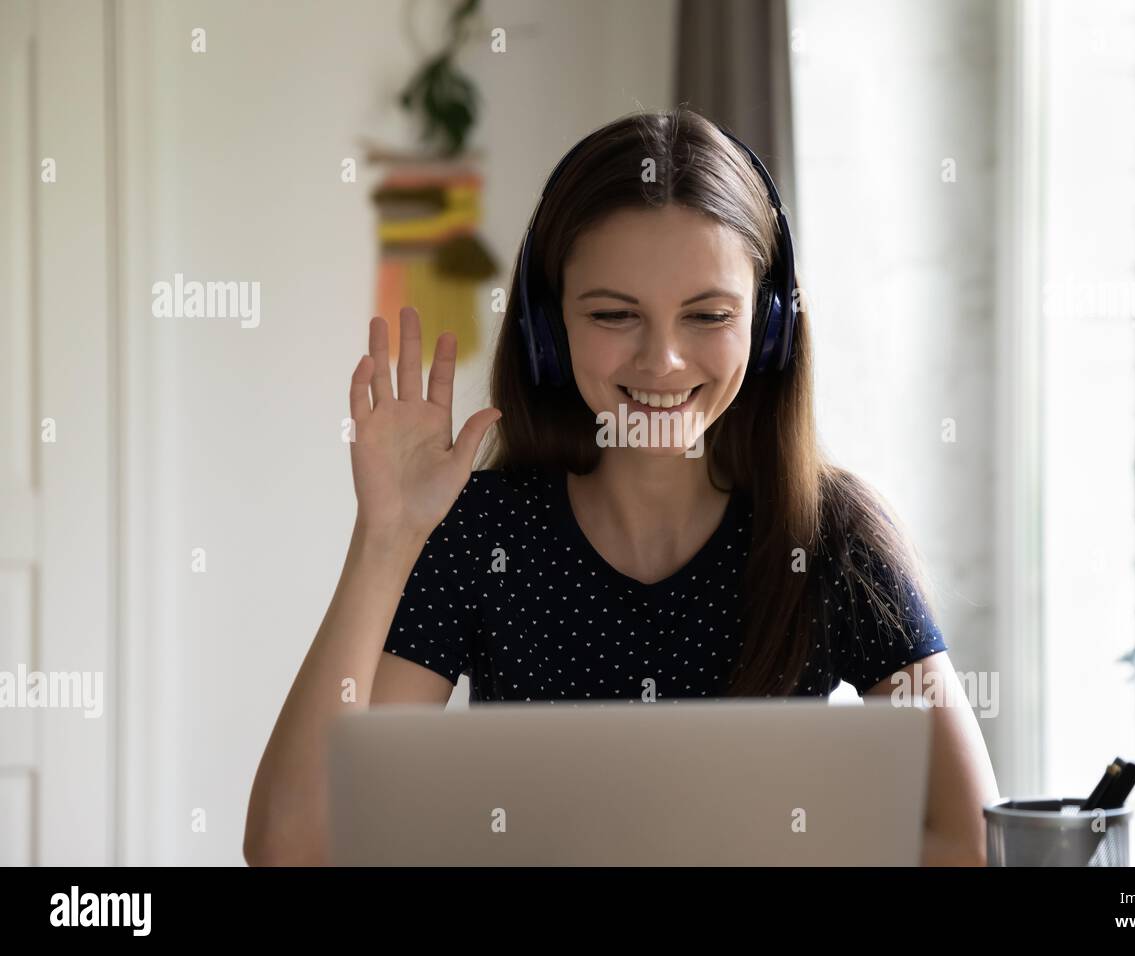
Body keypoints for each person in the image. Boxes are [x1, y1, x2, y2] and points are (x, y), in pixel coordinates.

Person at [243, 107, 998, 866]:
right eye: (613, 314)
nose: (662, 360)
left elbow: (967, 842)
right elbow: (297, 847)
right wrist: (387, 536)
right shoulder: (483, 533)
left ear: (768, 329)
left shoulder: (831, 536)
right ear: (548, 327)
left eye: (708, 315)